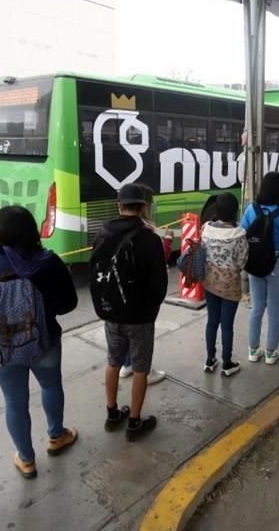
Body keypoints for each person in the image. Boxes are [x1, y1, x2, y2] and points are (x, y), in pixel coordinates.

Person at [0, 206, 79, 478]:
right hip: (45, 341)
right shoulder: (49, 262)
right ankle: (56, 436)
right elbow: (68, 304)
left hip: (0, 349)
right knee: (51, 385)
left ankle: (26, 459)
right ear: (32, 230)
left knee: (14, 402)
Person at [91, 183, 168, 440]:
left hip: (111, 312)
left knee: (113, 361)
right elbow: (159, 283)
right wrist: (152, 306)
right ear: (143, 207)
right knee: (140, 368)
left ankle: (112, 413)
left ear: (119, 205)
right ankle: (134, 422)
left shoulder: (103, 233)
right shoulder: (150, 239)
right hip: (141, 316)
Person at [242, 172, 279, 366]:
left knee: (257, 307)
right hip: (277, 266)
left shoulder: (251, 209)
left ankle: (252, 350)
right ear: (278, 188)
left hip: (254, 265)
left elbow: (243, 234)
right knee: (274, 310)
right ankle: (270, 352)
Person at [117, 184, 169, 384]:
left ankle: (126, 364)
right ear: (144, 206)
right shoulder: (147, 231)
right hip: (142, 298)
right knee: (141, 338)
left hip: (119, 295)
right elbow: (158, 262)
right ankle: (143, 372)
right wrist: (167, 242)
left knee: (124, 334)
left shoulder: (109, 229)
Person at [200, 193, 248, 376]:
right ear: (235, 211)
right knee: (227, 325)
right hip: (230, 285)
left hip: (210, 282)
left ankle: (210, 360)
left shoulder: (205, 229)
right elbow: (243, 261)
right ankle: (227, 363)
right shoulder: (239, 234)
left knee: (212, 321)